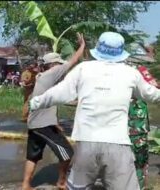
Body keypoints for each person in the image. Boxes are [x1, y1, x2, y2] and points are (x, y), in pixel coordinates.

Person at [28, 31, 160, 190]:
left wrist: (36, 102)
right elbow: (151, 94)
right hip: (118, 144)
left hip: (86, 142)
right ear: (121, 53)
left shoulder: (83, 69)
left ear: (98, 50)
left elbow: (59, 93)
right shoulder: (131, 73)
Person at [21, 33, 85, 190]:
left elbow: (51, 103)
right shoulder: (52, 73)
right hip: (43, 125)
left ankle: (25, 185)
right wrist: (82, 45)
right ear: (53, 64)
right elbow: (73, 61)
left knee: (33, 156)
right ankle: (61, 182)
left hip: (35, 123)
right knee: (68, 153)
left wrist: (56, 123)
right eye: (58, 64)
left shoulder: (43, 77)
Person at [127, 62, 160, 190]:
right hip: (136, 122)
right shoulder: (139, 69)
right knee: (139, 162)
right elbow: (154, 86)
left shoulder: (105, 70)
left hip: (117, 123)